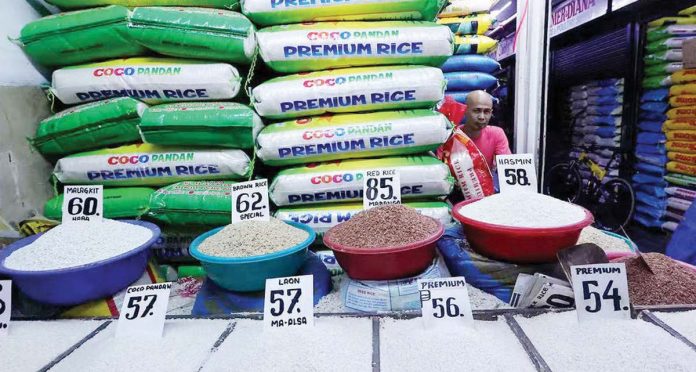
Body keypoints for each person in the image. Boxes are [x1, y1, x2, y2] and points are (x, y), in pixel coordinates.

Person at [461, 90, 511, 170]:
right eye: (476, 111)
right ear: (464, 110)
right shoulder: (451, 136)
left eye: (486, 111)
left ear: (491, 113)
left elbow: (508, 167)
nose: (482, 117)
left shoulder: (496, 134)